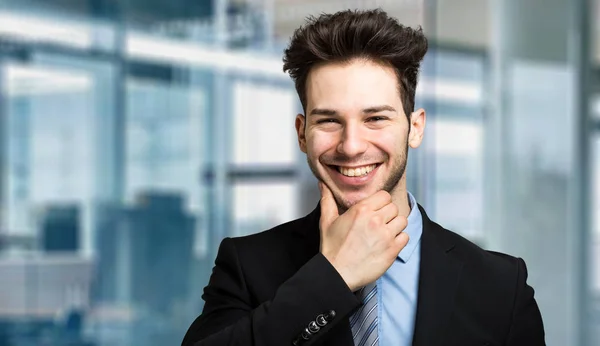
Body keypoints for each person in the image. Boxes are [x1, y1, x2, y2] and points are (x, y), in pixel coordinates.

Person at [181, 8, 545, 346]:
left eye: (375, 118)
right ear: (302, 133)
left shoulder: (500, 287)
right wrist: (332, 276)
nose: (352, 146)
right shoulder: (247, 265)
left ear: (414, 128)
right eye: (328, 120)